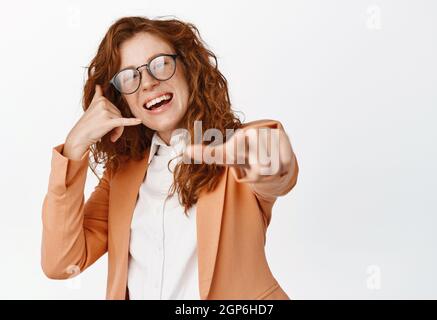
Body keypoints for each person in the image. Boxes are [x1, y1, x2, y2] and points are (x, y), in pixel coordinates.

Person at [41, 16, 299, 300]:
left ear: (189, 68)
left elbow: (275, 168)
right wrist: (74, 148)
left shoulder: (234, 149)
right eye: (130, 76)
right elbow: (62, 263)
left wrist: (263, 158)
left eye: (160, 64)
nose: (148, 83)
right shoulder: (120, 177)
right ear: (121, 100)